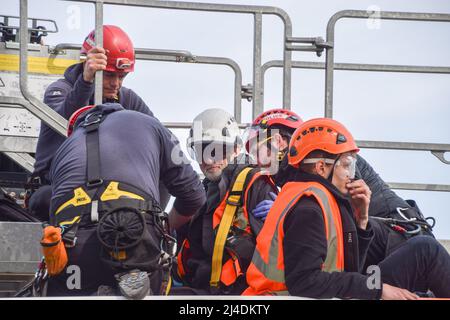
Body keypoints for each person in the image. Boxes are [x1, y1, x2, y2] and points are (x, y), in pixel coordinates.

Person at [244, 118, 450, 299]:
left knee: (424, 249)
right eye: (346, 165)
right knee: (426, 250)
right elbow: (304, 281)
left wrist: (361, 221)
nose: (352, 174)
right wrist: (378, 290)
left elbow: (350, 269)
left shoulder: (317, 197)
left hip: (322, 295)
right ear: (321, 167)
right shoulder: (309, 207)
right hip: (291, 298)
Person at [43, 103, 206, 298]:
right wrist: (165, 226)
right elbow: (194, 196)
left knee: (72, 286)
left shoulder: (64, 149)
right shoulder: (149, 125)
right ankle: (131, 268)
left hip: (72, 241)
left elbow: (48, 204)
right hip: (132, 234)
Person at [28, 25, 170, 221]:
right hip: (60, 186)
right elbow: (63, 121)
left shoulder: (127, 98)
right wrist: (86, 82)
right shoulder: (59, 91)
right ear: (87, 65)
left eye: (122, 76)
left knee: (165, 173)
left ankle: (148, 226)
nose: (116, 84)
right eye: (110, 75)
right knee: (46, 199)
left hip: (109, 190)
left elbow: (161, 137)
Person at [173, 108, 278, 295]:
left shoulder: (255, 185)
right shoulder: (201, 192)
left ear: (236, 149)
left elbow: (273, 253)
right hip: (203, 290)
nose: (209, 159)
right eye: (201, 150)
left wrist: (282, 216)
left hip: (244, 294)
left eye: (219, 149)